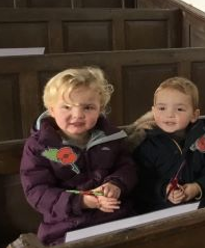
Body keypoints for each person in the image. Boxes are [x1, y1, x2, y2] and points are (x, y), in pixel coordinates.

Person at [20, 67, 136, 246]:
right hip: (65, 227)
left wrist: (116, 184)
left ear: (100, 109)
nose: (78, 115)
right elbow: (37, 191)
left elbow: (127, 167)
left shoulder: (111, 138)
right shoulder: (40, 146)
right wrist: (81, 202)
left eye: (88, 107)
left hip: (115, 220)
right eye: (67, 107)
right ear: (51, 109)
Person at [133, 77, 205, 213]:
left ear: (194, 115)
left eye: (179, 109)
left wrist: (198, 187)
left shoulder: (203, 136)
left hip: (201, 206)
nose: (170, 114)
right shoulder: (147, 143)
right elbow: (141, 182)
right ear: (153, 111)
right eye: (162, 108)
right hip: (161, 210)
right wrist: (164, 189)